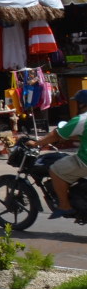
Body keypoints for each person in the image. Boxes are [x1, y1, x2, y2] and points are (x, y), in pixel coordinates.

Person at [36, 89, 87, 219]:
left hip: (85, 160)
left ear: (82, 104)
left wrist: (37, 143)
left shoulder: (81, 119)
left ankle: (64, 205)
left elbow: (56, 134)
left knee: (55, 169)